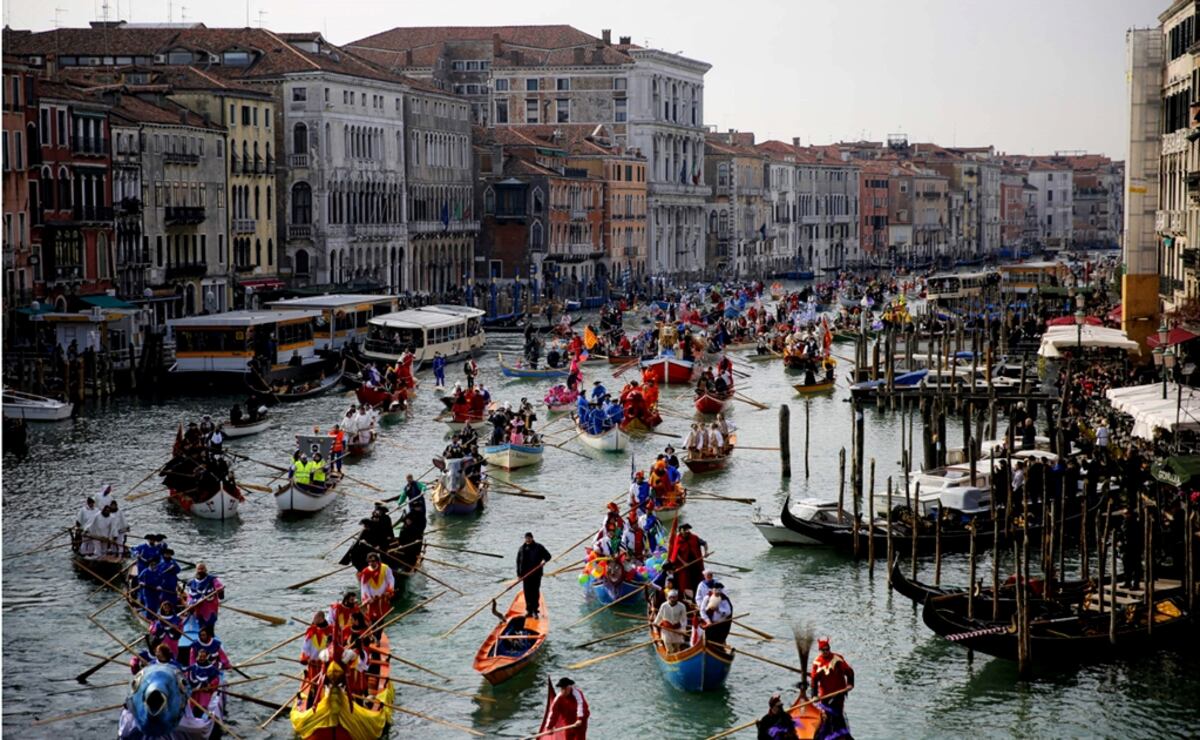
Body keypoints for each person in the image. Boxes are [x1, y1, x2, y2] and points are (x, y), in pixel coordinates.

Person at [810, 637, 854, 739]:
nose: (826, 652)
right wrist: (814, 695)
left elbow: (849, 672)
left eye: (827, 649)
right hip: (825, 695)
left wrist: (850, 684)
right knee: (826, 717)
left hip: (839, 693)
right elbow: (814, 680)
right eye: (823, 650)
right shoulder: (817, 662)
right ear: (820, 651)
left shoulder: (837, 659)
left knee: (837, 715)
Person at [516, 532, 552, 618]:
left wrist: (544, 561)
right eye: (526, 538)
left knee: (535, 592)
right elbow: (518, 562)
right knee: (527, 593)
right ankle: (529, 611)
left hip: (536, 574)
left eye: (529, 538)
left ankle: (535, 611)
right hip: (525, 575)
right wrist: (519, 574)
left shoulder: (539, 547)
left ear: (532, 538)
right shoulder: (522, 549)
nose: (528, 540)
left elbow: (548, 556)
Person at [670, 523, 708, 598]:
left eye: (687, 530)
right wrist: (684, 563)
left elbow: (704, 543)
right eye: (684, 530)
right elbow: (676, 554)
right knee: (684, 582)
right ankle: (684, 596)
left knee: (697, 579)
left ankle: (698, 596)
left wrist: (706, 552)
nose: (686, 532)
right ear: (680, 531)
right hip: (683, 566)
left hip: (695, 564)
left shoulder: (694, 537)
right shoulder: (678, 539)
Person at [185, 562, 225, 632]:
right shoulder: (191, 582)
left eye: (202, 569)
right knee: (201, 627)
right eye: (199, 569)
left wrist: (220, 590)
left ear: (206, 569)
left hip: (210, 608)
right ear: (196, 570)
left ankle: (210, 639)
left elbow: (219, 587)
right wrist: (190, 604)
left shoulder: (212, 579)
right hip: (198, 609)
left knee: (210, 627)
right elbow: (190, 596)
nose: (200, 571)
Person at [358, 552, 395, 623]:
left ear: (377, 561)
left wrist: (389, 591)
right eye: (369, 561)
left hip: (383, 597)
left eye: (373, 561)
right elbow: (364, 587)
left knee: (382, 616)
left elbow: (391, 580)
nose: (371, 563)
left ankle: (379, 631)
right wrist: (367, 599)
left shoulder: (385, 568)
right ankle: (374, 631)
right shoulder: (365, 572)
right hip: (372, 600)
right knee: (372, 617)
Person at [653, 589, 689, 654]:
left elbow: (684, 620)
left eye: (674, 597)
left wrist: (683, 630)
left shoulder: (682, 606)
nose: (672, 599)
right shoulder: (663, 605)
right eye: (670, 597)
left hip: (677, 629)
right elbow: (659, 615)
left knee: (677, 648)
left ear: (677, 598)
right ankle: (670, 653)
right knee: (669, 648)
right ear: (667, 598)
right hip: (666, 629)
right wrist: (655, 623)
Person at [1117, 507, 1144, 589]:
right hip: (1126, 548)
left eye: (1126, 513)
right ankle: (1127, 582)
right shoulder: (1124, 523)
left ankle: (1136, 584)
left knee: (1135, 567)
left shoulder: (1135, 523)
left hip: (1134, 548)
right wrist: (1119, 542)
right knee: (1127, 566)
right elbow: (1121, 534)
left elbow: (1137, 536)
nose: (1124, 515)